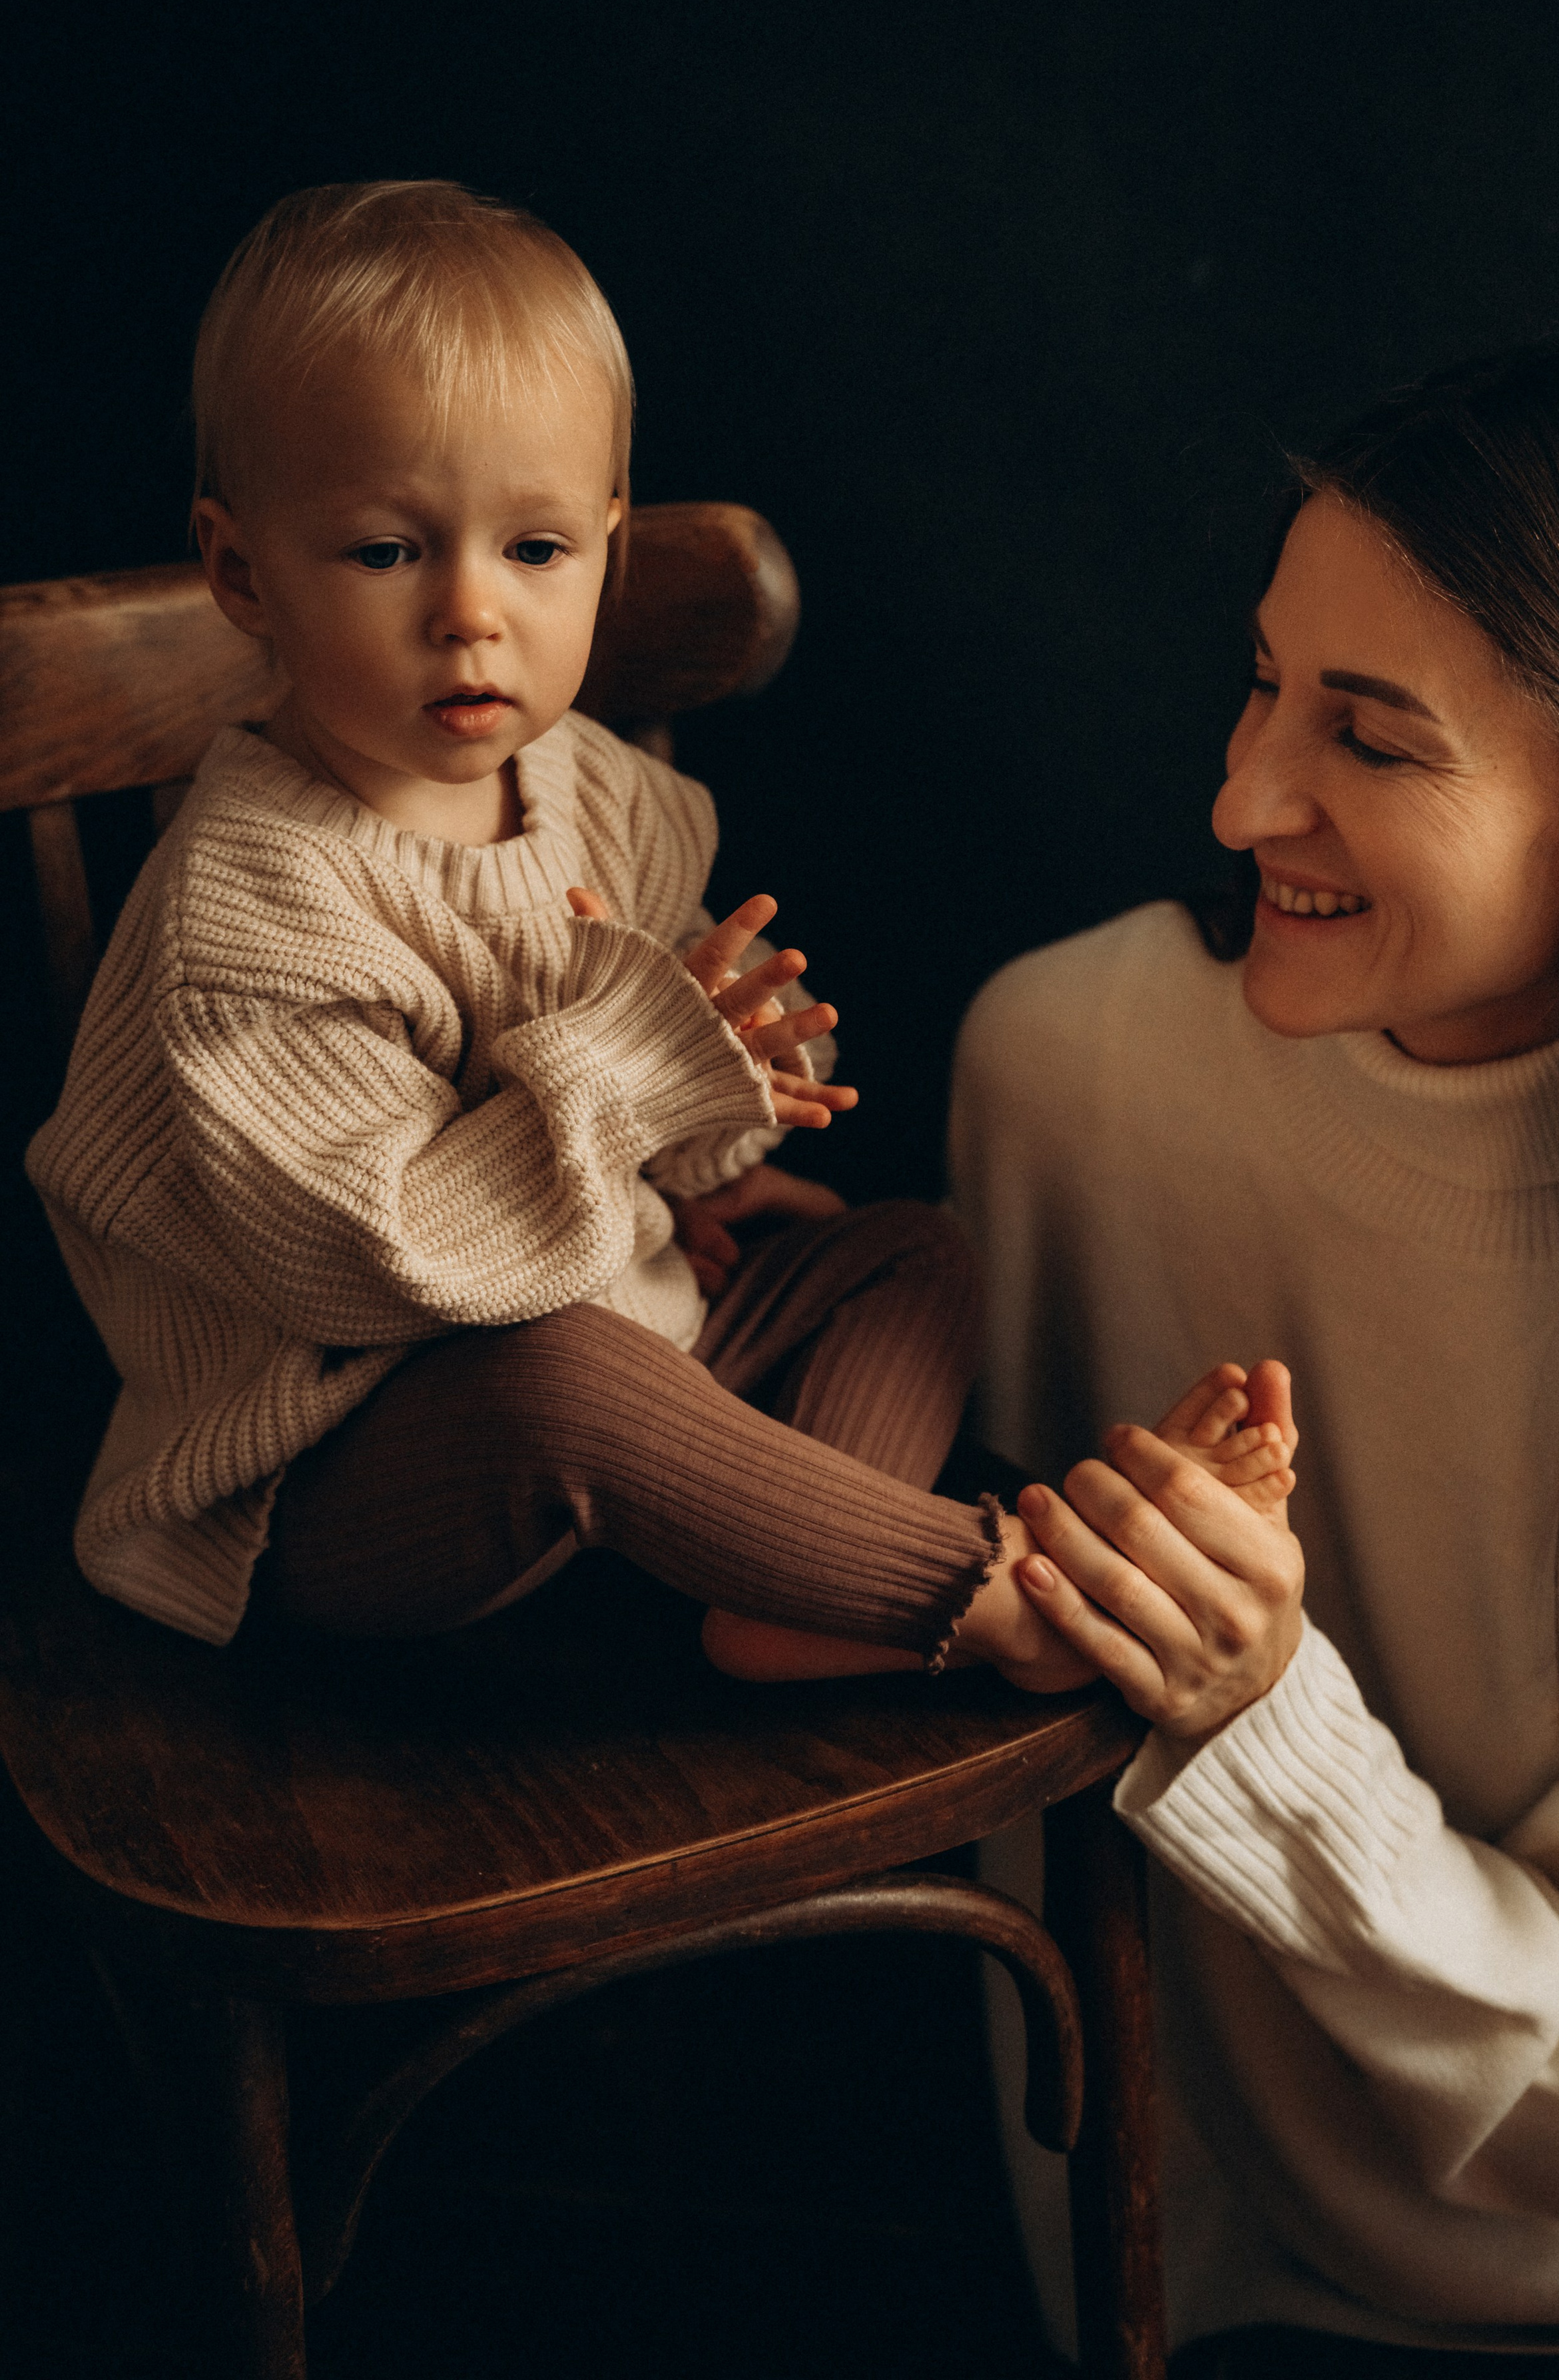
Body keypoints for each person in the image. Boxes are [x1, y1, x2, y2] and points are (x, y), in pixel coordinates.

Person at [25, 175, 1093, 1681]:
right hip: (341, 1466)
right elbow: (389, 1261)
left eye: (533, 550)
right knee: (564, 1375)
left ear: (604, 543)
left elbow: (684, 1044)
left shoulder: (604, 789)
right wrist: (646, 1077)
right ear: (241, 570)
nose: (472, 610)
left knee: (906, 1251)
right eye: (388, 551)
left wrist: (718, 1137)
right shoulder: (246, 908)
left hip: (604, 1318)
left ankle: (791, 1590)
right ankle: (965, 1586)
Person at [952, 342, 1559, 2371]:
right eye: (1264, 683)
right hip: (1135, 2260)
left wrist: (1263, 1711)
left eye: (1370, 738)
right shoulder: (1062, 1069)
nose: (1240, 796)